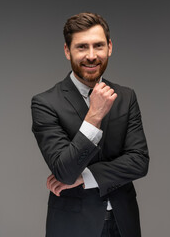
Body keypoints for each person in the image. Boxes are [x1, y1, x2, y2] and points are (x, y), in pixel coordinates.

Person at [31, 12, 149, 237]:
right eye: (82, 47)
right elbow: (64, 172)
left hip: (123, 223)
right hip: (72, 226)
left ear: (110, 47)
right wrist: (94, 115)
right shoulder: (45, 103)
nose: (92, 56)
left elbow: (139, 161)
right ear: (67, 51)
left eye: (98, 46)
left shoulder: (126, 97)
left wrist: (85, 177)